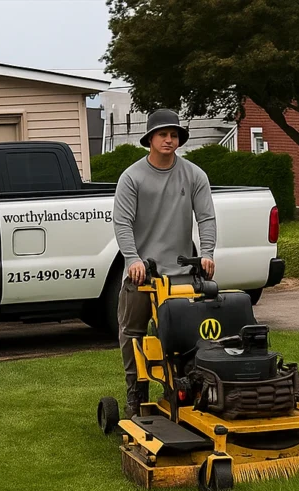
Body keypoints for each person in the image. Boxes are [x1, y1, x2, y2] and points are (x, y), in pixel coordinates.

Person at [113, 109, 217, 418]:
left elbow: (206, 217)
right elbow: (122, 223)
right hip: (143, 275)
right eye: (163, 135)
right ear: (150, 139)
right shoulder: (132, 177)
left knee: (185, 336)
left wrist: (207, 252)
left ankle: (182, 389)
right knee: (133, 333)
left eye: (174, 135)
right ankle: (136, 393)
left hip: (182, 275)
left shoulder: (194, 175)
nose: (169, 140)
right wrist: (132, 259)